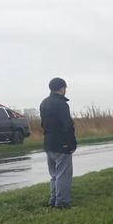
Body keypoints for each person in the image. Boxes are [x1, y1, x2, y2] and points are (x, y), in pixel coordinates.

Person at [40, 77, 77, 209]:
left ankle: (53, 198)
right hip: (62, 144)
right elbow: (67, 126)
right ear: (62, 89)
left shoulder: (44, 103)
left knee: (54, 174)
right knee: (63, 174)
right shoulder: (62, 104)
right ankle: (62, 202)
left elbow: (43, 124)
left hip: (48, 143)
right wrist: (71, 144)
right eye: (65, 88)